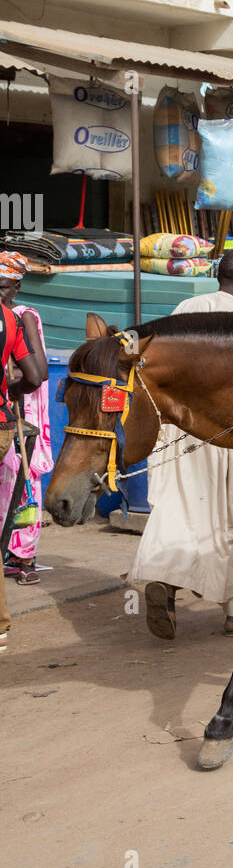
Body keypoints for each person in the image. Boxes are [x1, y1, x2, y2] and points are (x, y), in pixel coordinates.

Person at [126, 250, 233, 640]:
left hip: (179, 431)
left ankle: (164, 585)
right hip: (228, 433)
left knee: (177, 511)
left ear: (219, 277)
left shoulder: (186, 308)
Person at [0, 252, 47, 651]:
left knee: (20, 479)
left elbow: (38, 373)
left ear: (17, 286)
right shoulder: (11, 318)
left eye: (6, 284)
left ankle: (23, 556)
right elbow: (32, 372)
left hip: (17, 410)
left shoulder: (24, 317)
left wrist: (11, 391)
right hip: (7, 411)